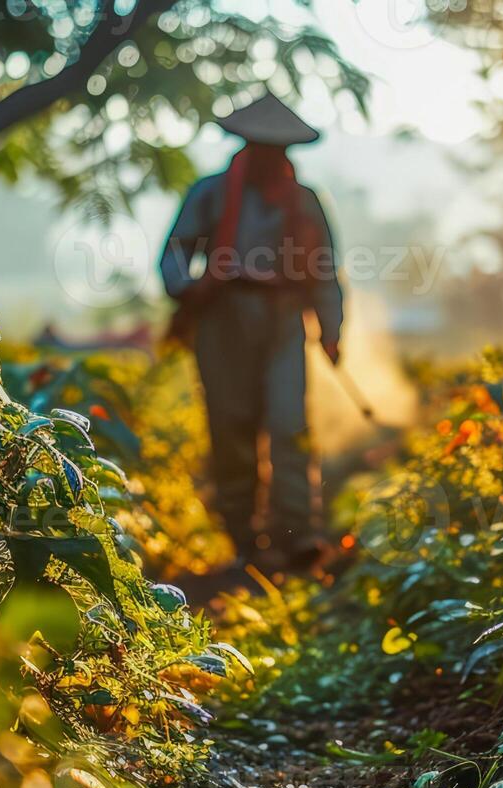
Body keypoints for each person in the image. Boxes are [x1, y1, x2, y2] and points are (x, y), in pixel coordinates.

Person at [160, 93, 344, 571]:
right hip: (223, 319)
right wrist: (187, 287)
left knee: (289, 425)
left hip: (284, 319)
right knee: (231, 425)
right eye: (261, 146)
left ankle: (296, 535)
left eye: (278, 148)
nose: (270, 156)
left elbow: (324, 270)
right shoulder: (211, 193)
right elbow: (174, 253)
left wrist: (331, 327)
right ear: (245, 146)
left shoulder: (305, 202)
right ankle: (244, 538)